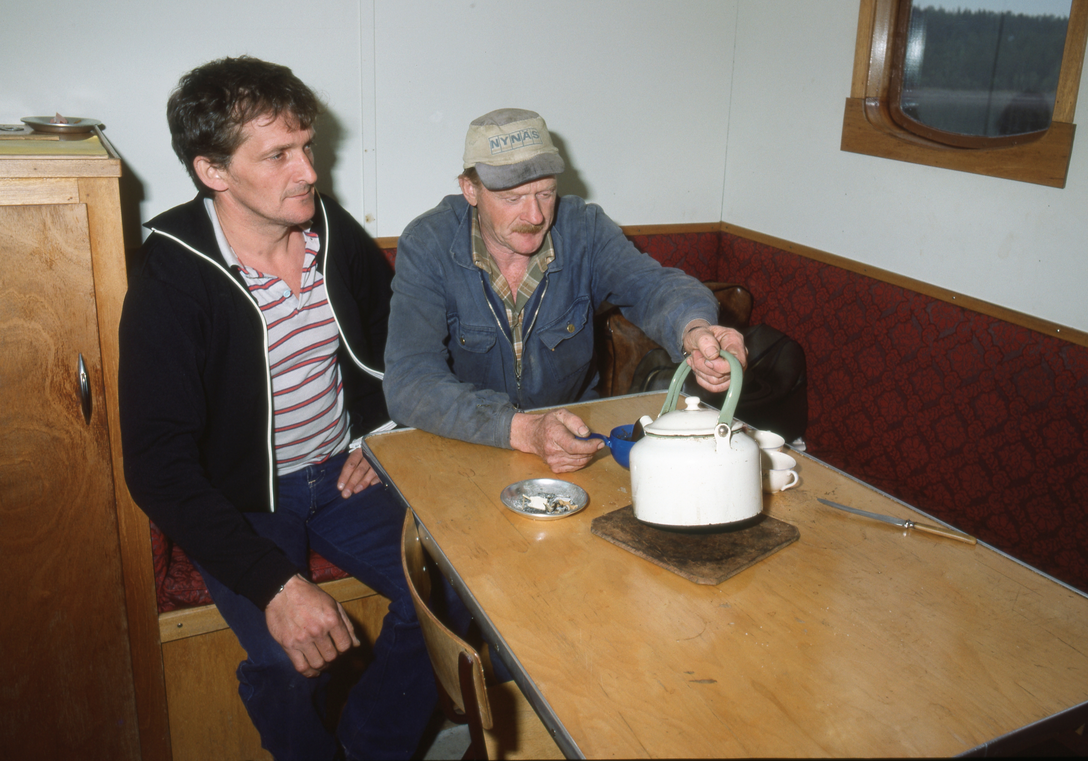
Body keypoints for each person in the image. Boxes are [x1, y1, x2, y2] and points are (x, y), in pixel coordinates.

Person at [119, 56, 449, 760]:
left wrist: (380, 434)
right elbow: (156, 466)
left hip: (341, 473)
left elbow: (399, 337)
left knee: (449, 594)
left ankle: (370, 748)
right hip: (240, 500)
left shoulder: (329, 230)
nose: (309, 172)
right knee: (282, 661)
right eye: (278, 155)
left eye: (307, 146)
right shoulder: (174, 272)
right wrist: (275, 584)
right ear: (214, 171)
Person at [384, 108, 747, 472]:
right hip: (467, 443)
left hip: (569, 442)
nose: (536, 215)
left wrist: (696, 331)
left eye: (545, 193)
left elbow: (653, 286)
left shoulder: (584, 231)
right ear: (470, 190)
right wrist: (522, 429)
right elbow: (409, 381)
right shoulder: (429, 243)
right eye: (513, 199)